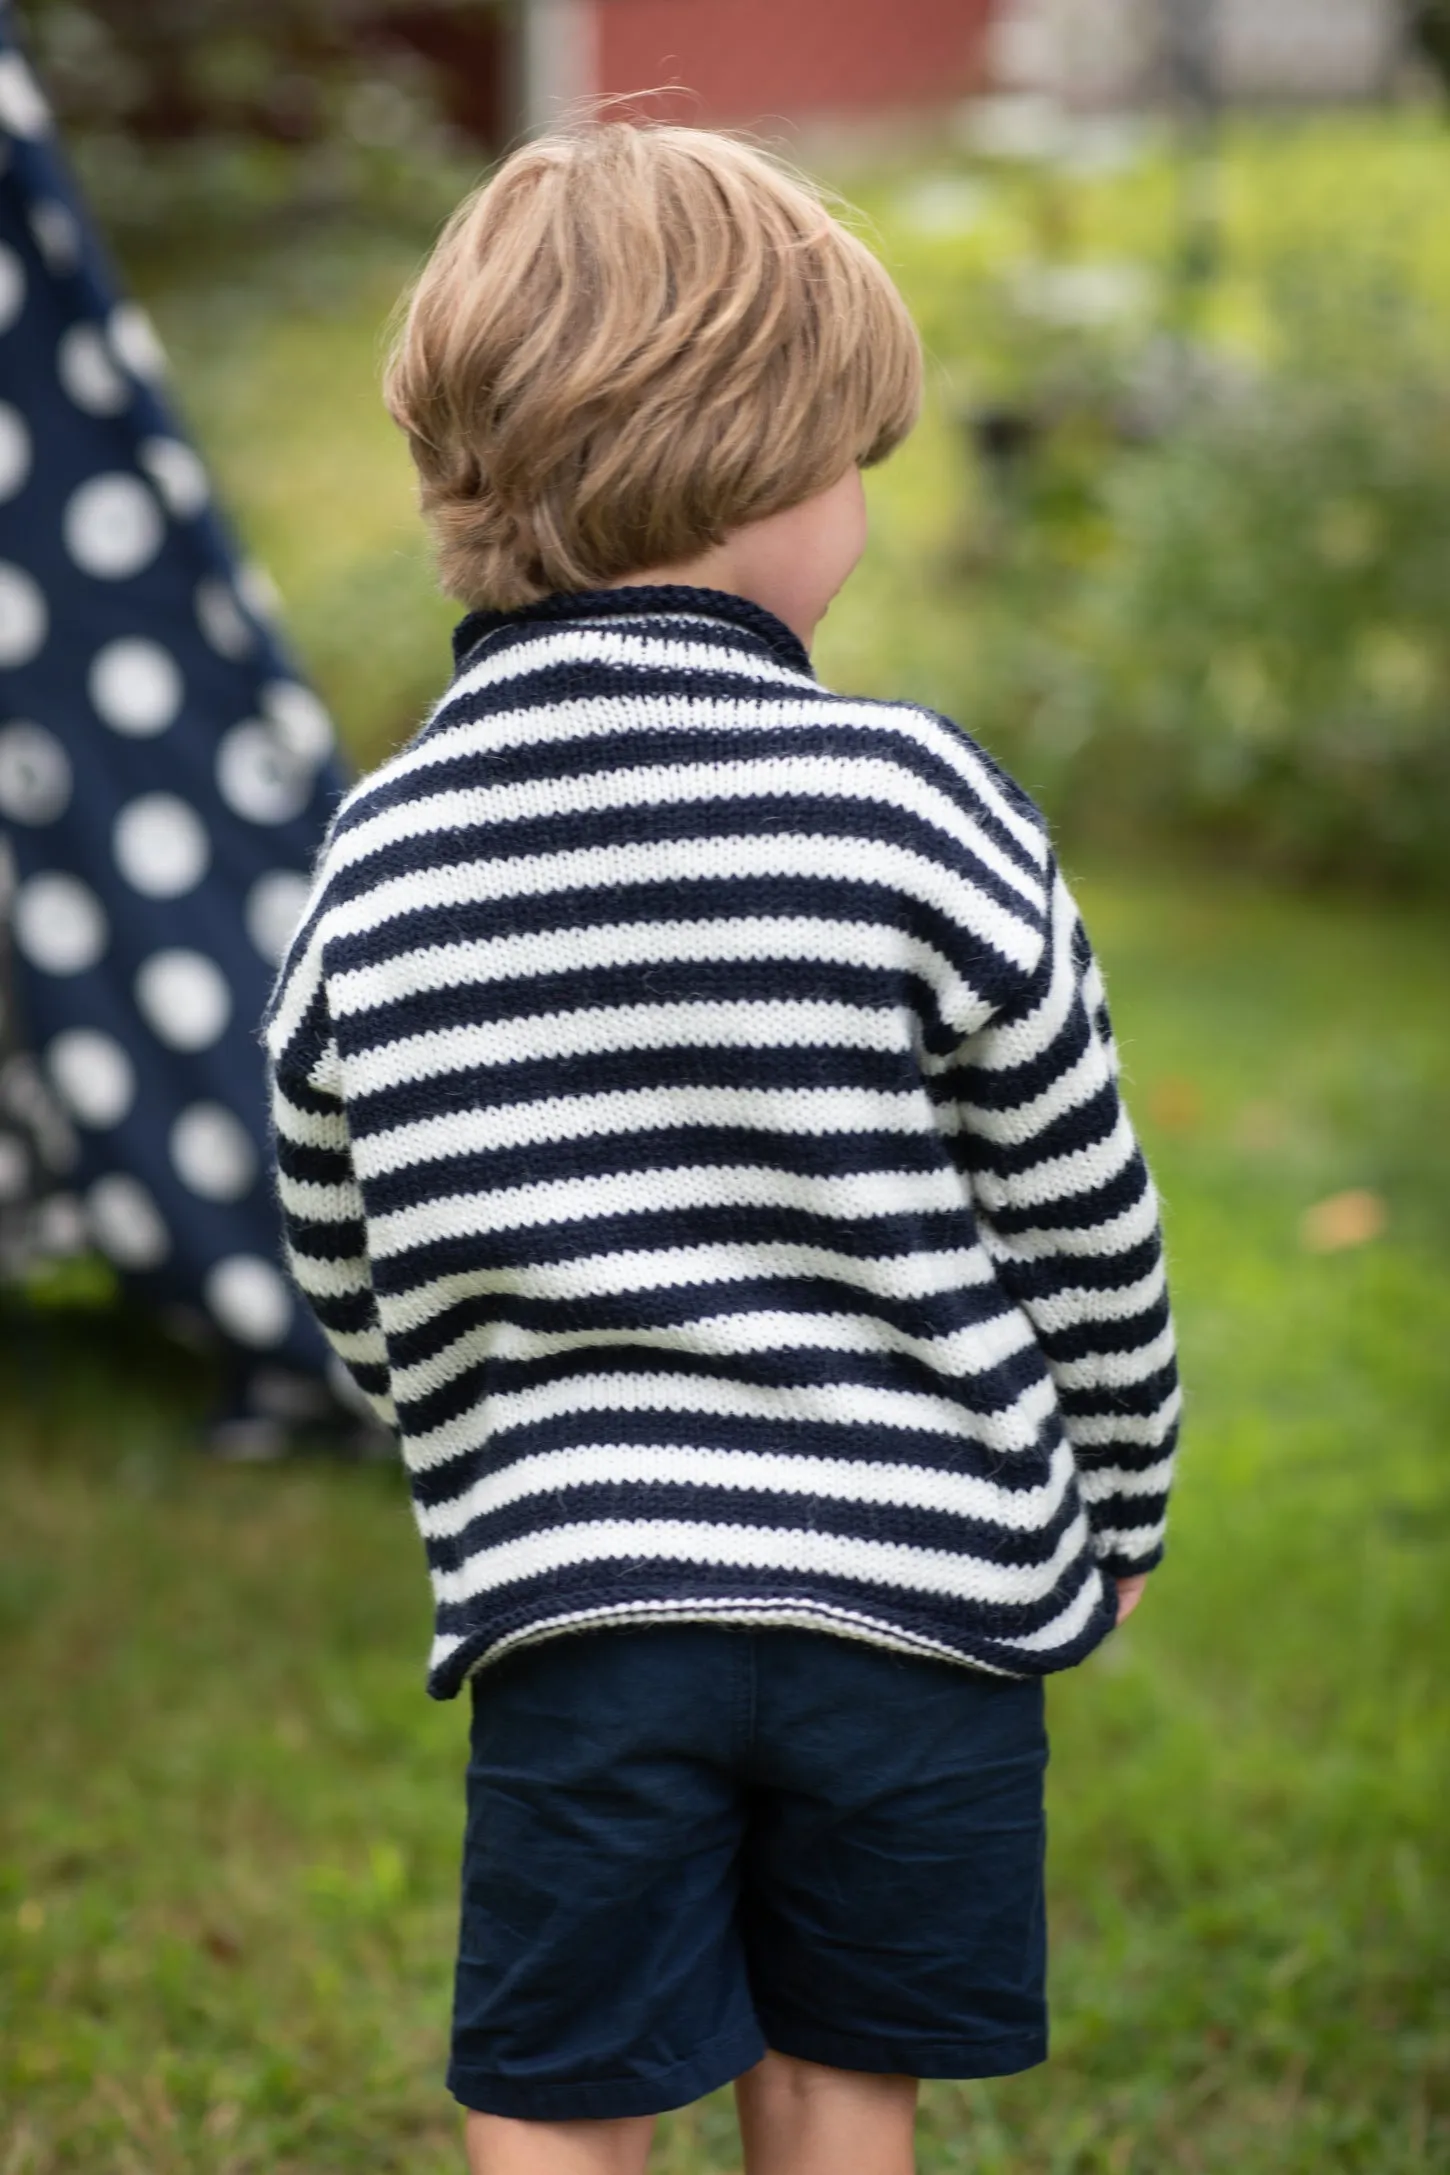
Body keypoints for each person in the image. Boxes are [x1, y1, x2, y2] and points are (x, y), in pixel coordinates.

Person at [264, 122, 1181, 2175]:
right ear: (756, 471)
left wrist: (471, 1445)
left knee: (561, 2081)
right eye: (847, 457)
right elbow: (1076, 1202)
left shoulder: (384, 842)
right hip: (920, 1587)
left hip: (585, 1592)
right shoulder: (911, 799)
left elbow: (335, 1213)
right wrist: (1114, 1496)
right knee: (839, 2066)